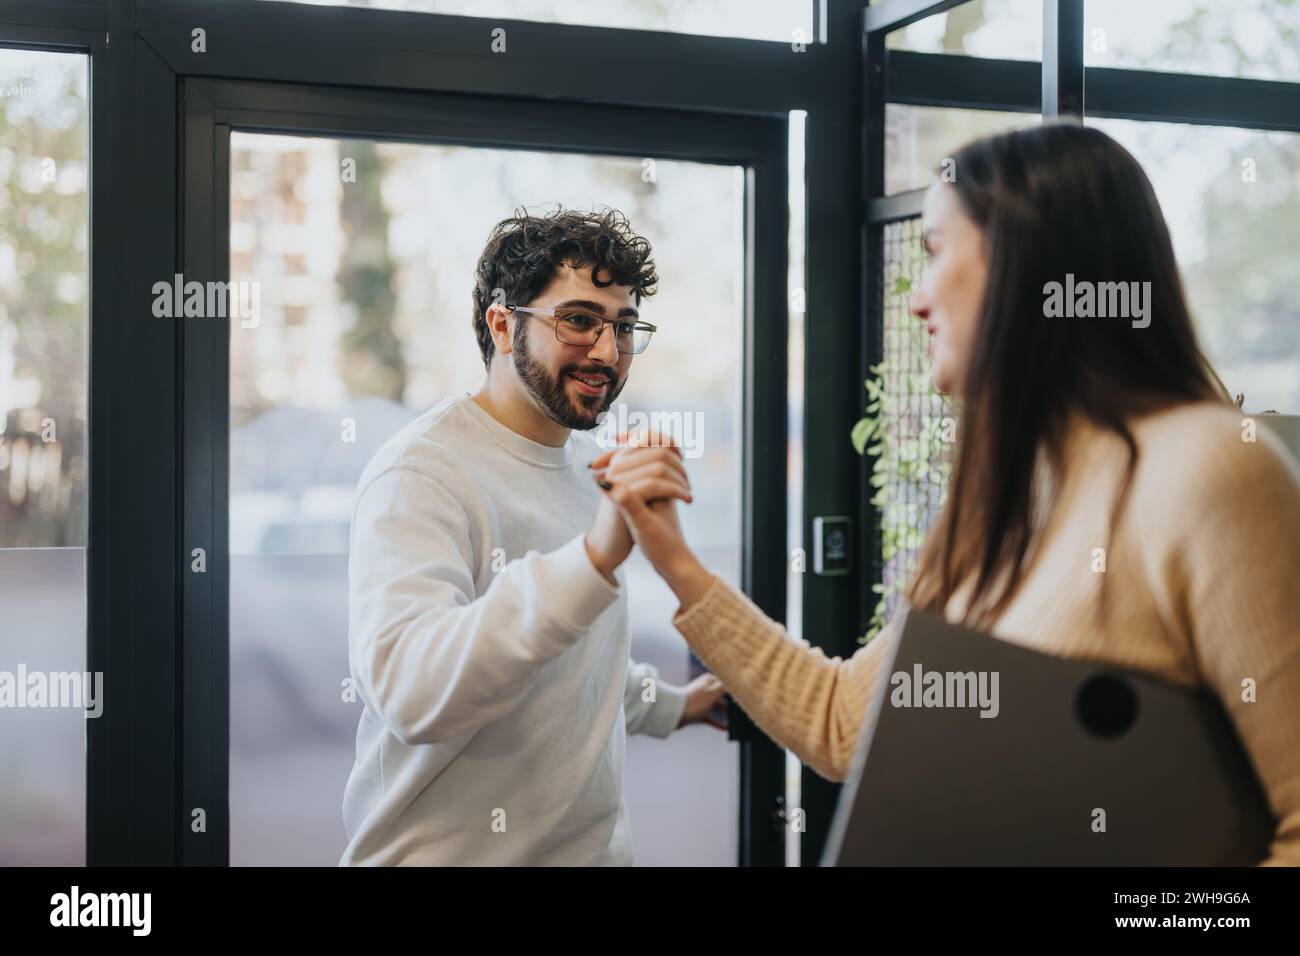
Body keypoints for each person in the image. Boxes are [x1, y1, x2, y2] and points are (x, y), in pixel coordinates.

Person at [600, 122, 1300, 865]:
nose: (918, 299)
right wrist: (670, 554)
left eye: (936, 252)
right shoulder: (1000, 503)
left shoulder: (1207, 471)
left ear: (1028, 265)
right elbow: (843, 723)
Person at [341, 207, 725, 866]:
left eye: (623, 326)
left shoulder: (586, 469)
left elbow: (576, 662)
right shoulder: (421, 472)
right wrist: (594, 558)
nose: (606, 352)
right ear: (502, 325)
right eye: (578, 320)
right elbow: (411, 692)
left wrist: (676, 706)